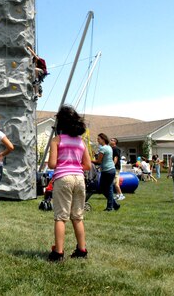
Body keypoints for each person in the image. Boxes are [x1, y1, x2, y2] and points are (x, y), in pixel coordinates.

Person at [47, 105, 91, 262]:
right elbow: (88, 165)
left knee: (61, 216)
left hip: (63, 178)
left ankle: (58, 253)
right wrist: (75, 165)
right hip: (79, 178)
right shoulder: (81, 142)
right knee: (77, 216)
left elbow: (52, 164)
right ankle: (82, 249)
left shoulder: (57, 140)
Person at [92, 133, 119, 211]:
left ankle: (110, 207)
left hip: (107, 171)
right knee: (106, 188)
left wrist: (89, 161)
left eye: (99, 139)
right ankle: (114, 204)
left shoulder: (103, 148)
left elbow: (99, 162)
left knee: (106, 189)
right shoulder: (109, 147)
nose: (97, 140)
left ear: (103, 139)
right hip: (110, 170)